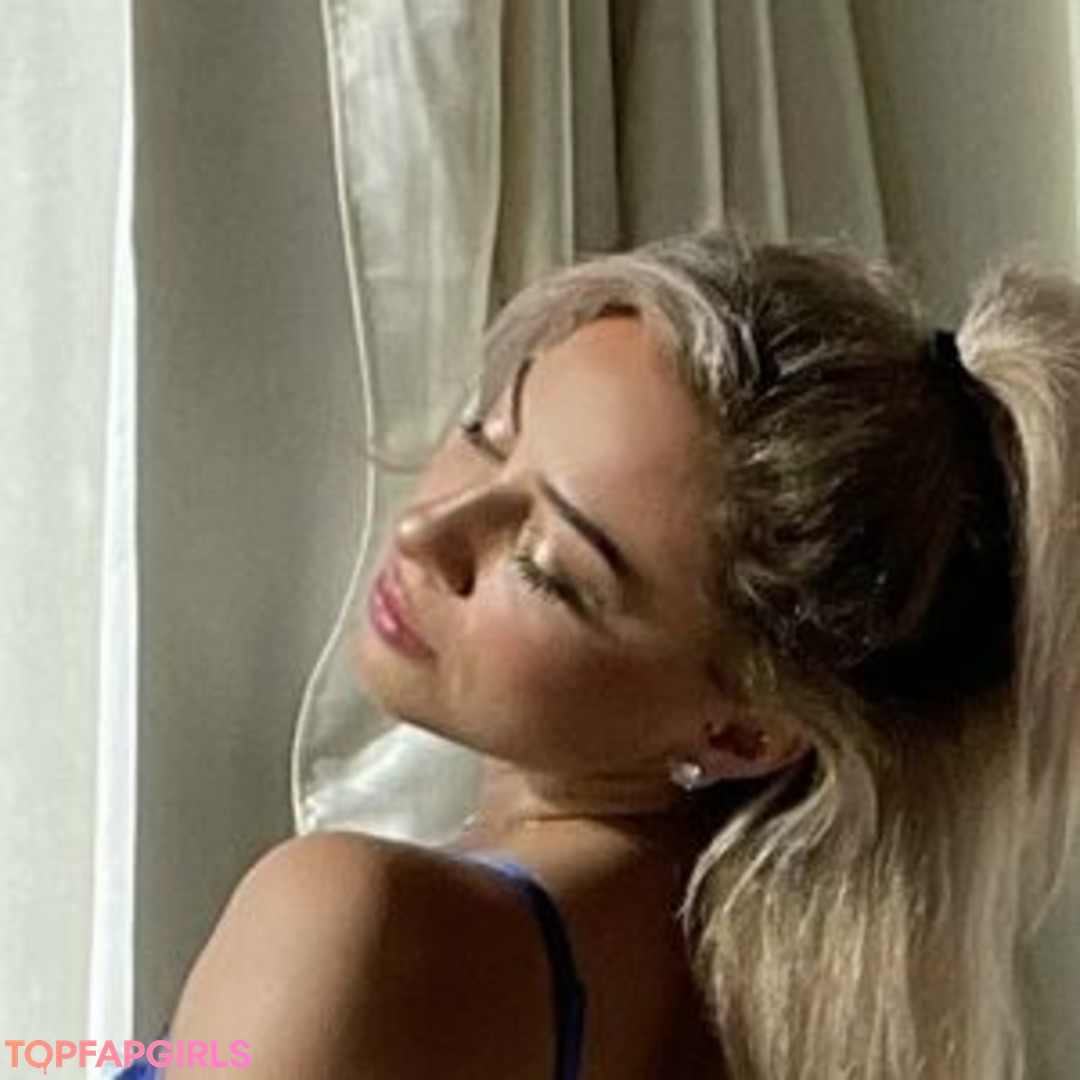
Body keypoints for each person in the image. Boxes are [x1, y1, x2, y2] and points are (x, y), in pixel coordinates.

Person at [120, 229, 1080, 1079]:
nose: (427, 532)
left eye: (549, 568)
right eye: (487, 434)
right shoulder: (748, 1012)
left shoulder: (349, 924)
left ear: (744, 732)